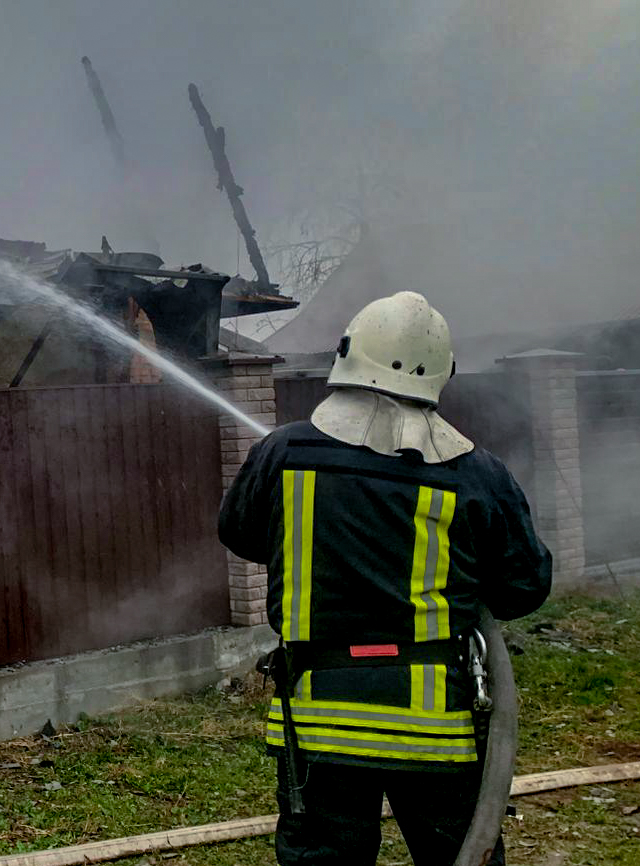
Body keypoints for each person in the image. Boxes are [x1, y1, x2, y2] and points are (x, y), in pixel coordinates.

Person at [218, 291, 551, 866]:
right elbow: (524, 587)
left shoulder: (283, 452)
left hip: (319, 724)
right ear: (442, 371)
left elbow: (241, 534)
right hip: (434, 728)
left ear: (348, 354)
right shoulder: (475, 473)